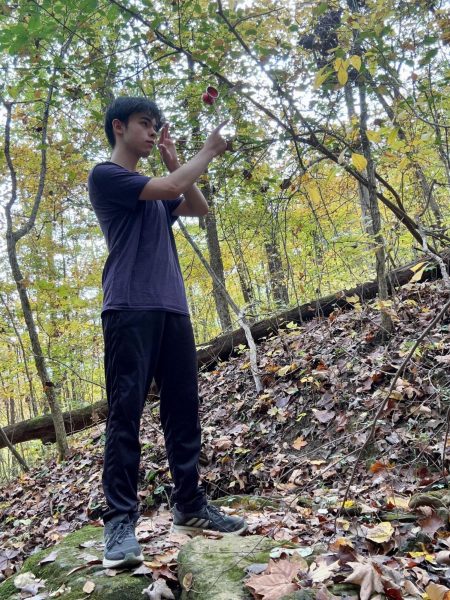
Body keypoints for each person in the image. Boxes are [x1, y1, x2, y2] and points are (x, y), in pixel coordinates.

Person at [87, 97, 247, 569]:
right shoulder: (108, 176)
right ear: (119, 128)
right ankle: (119, 522)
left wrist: (179, 159)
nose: (153, 133)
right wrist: (207, 152)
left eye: (158, 126)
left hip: (172, 308)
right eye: (145, 124)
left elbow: (198, 207)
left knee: (183, 410)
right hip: (128, 307)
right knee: (125, 415)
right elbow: (174, 186)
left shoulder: (155, 192)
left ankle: (190, 506)